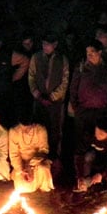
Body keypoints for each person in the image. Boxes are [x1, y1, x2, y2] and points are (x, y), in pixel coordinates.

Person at [68, 38, 107, 177]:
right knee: (82, 143)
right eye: (87, 52)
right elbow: (73, 89)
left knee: (101, 143)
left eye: (92, 52)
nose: (89, 55)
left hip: (103, 113)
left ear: (100, 52)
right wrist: (77, 108)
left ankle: (102, 174)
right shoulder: (80, 68)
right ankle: (82, 176)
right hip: (83, 112)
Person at [28, 31, 69, 161]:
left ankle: (54, 158)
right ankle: (39, 156)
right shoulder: (36, 57)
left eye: (48, 44)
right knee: (39, 128)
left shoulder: (62, 59)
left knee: (55, 130)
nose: (45, 47)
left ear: (55, 44)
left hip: (55, 103)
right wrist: (37, 95)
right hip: (39, 100)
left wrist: (52, 97)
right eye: (44, 44)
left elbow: (65, 81)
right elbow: (31, 77)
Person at [73, 116, 107, 193]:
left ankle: (104, 180)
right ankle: (85, 181)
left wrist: (101, 174)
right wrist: (80, 176)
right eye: (96, 131)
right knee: (87, 156)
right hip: (95, 157)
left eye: (100, 133)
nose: (96, 135)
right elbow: (79, 154)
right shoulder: (90, 134)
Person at [8, 115, 55, 193]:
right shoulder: (14, 131)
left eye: (28, 128)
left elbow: (44, 150)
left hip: (38, 161)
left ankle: (41, 186)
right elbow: (14, 154)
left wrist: (31, 165)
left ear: (33, 124)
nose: (25, 131)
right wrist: (21, 169)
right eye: (23, 128)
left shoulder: (40, 130)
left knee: (43, 168)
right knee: (22, 188)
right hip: (22, 162)